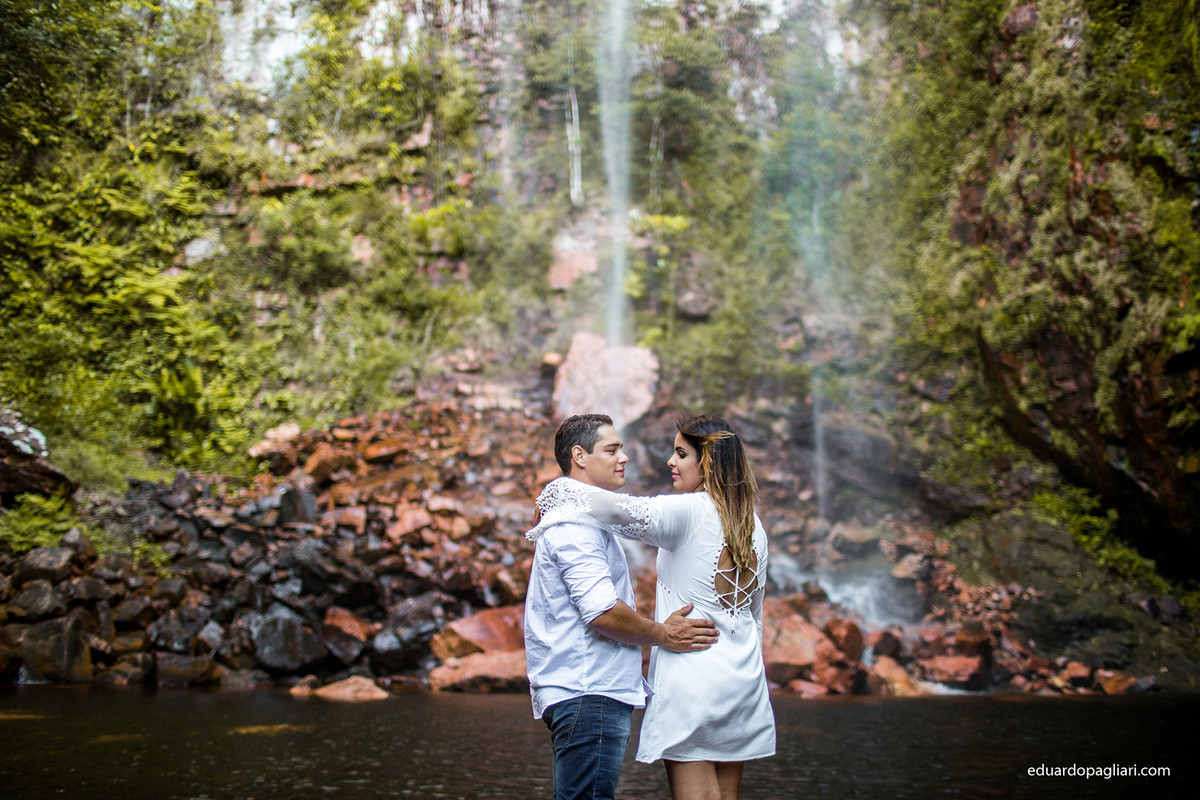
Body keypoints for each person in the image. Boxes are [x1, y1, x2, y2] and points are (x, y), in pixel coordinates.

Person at [528, 414, 775, 800]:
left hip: (694, 675)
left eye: (680, 454)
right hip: (744, 677)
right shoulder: (754, 526)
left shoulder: (691, 511)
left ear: (707, 462)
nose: (670, 463)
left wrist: (553, 496)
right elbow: (754, 617)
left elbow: (616, 510)